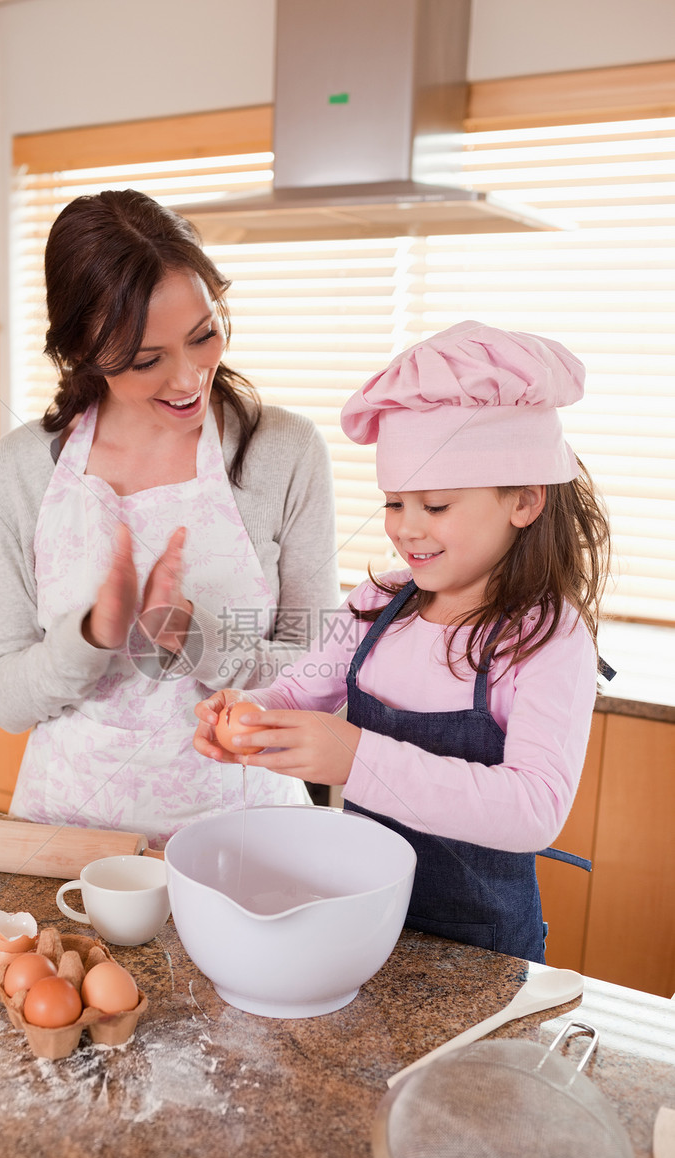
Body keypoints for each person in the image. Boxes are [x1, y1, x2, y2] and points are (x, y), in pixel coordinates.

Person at [194, 320, 612, 963]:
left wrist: (357, 758)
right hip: (363, 922)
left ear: (525, 500)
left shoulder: (549, 639)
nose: (406, 530)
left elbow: (533, 808)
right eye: (395, 503)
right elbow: (299, 691)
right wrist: (248, 717)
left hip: (485, 953)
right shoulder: (375, 605)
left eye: (436, 506)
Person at [0, 189, 339, 849]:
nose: (188, 377)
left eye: (203, 335)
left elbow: (320, 674)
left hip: (249, 841)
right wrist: (92, 635)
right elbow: (3, 696)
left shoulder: (284, 451)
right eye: (147, 360)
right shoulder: (23, 466)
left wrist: (190, 635)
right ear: (84, 351)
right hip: (70, 843)